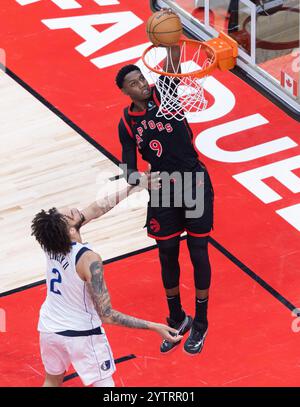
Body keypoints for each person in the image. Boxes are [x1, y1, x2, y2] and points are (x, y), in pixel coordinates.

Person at [31, 172, 182, 387]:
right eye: (72, 213)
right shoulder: (88, 260)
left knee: (52, 381)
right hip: (81, 335)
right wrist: (153, 326)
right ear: (72, 230)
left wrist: (134, 187)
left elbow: (97, 208)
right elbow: (107, 315)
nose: (77, 210)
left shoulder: (49, 241)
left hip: (49, 328)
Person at [115, 34, 214, 355]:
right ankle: (177, 317)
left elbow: (173, 61)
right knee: (167, 253)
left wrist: (171, 33)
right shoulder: (126, 123)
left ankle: (200, 321)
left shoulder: (164, 94)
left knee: (198, 252)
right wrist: (139, 178)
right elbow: (128, 167)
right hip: (162, 190)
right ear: (124, 91)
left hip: (193, 182)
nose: (142, 84)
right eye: (134, 83)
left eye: (142, 78)